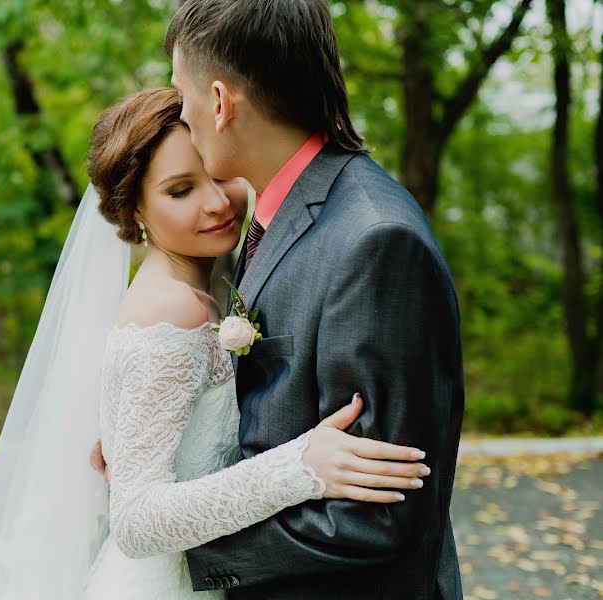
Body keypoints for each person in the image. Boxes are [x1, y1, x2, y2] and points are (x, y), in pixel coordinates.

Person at [0, 88, 433, 599]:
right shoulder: (171, 309)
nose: (217, 201)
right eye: (180, 191)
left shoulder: (198, 297)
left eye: (218, 174)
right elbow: (137, 521)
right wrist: (299, 467)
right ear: (133, 210)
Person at [151, 1, 465, 598]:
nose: (181, 113)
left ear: (218, 103)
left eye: (182, 93)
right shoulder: (269, 213)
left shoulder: (374, 240)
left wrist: (176, 542)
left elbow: (377, 514)